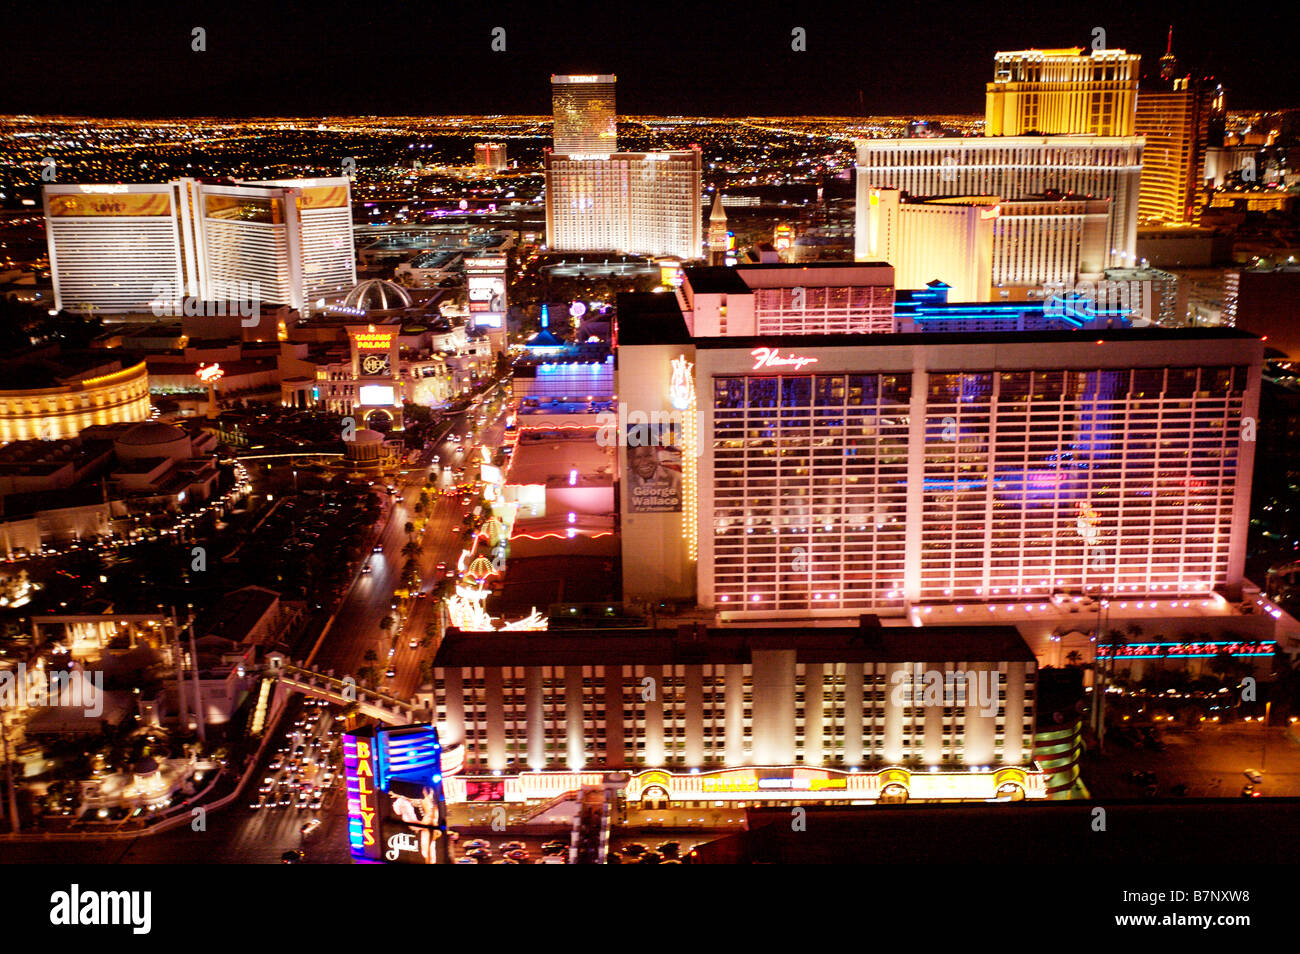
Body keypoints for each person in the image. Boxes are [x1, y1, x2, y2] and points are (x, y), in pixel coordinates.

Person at [628, 444, 681, 510]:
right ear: (630, 461)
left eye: (649, 456)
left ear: (657, 456)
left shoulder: (677, 479)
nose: (644, 462)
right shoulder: (626, 481)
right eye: (638, 457)